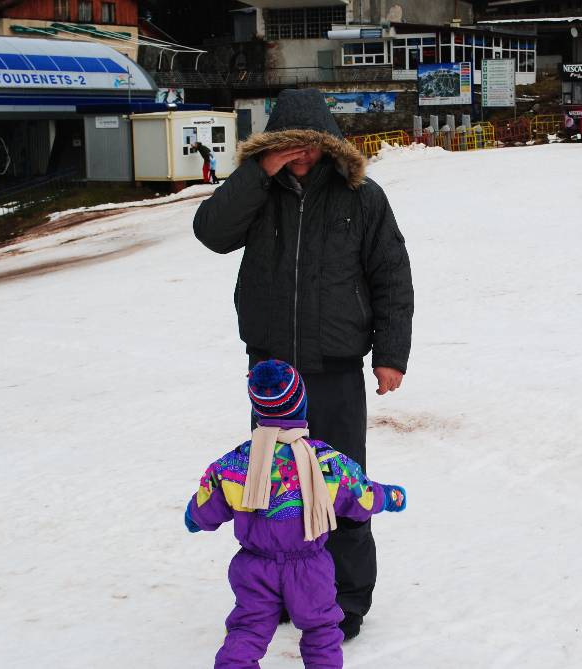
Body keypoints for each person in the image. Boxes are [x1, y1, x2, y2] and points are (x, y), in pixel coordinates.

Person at [192, 87, 413, 640]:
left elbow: (391, 276)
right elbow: (211, 233)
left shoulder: (362, 197)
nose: (302, 154)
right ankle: (285, 592)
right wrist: (257, 173)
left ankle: (345, 600)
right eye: (289, 145)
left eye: (311, 144)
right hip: (272, 375)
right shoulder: (258, 192)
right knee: (273, 492)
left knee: (342, 487)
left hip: (335, 366)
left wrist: (390, 355)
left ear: (329, 145)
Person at [186, 359, 407, 668]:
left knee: (247, 630)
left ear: (257, 410)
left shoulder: (234, 464)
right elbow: (361, 495)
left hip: (254, 568)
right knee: (321, 631)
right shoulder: (326, 462)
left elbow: (206, 505)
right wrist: (392, 497)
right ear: (301, 406)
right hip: (310, 569)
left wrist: (193, 517)